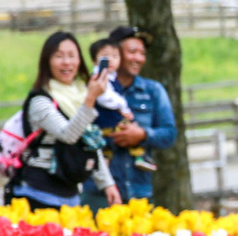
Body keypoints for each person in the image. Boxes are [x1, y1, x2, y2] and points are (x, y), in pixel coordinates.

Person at [8, 31, 121, 210]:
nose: (66, 62)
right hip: (36, 193)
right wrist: (91, 99)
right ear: (47, 62)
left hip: (70, 195)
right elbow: (69, 134)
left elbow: (90, 141)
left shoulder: (80, 95)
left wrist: (107, 183)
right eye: (59, 56)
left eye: (71, 56)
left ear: (79, 61)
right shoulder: (41, 101)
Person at [80, 26, 176, 207]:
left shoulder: (153, 90)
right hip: (98, 191)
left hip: (139, 191)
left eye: (142, 53)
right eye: (132, 52)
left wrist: (142, 135)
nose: (138, 58)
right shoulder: (90, 88)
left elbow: (169, 134)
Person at [87, 38, 155, 172]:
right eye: (106, 57)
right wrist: (122, 106)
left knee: (107, 149)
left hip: (106, 124)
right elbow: (104, 98)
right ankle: (139, 157)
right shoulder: (99, 78)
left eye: (115, 56)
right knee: (128, 129)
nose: (111, 60)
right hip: (107, 121)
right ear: (95, 61)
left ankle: (102, 167)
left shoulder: (111, 77)